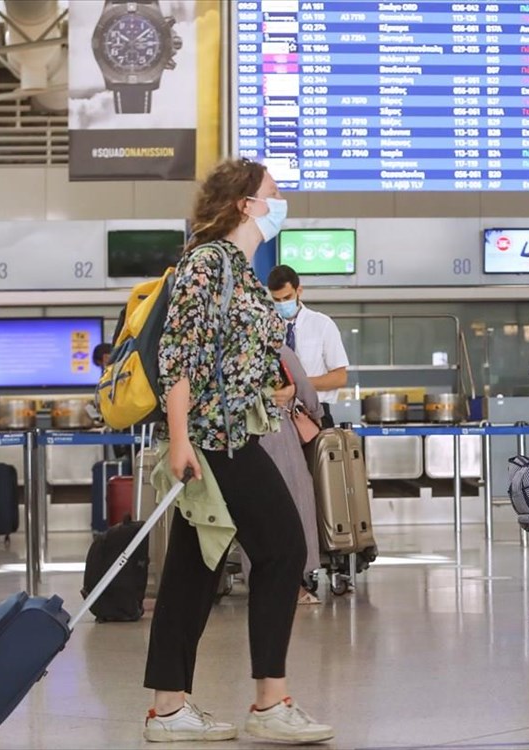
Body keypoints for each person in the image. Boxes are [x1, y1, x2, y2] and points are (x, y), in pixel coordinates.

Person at [142, 158, 333, 744]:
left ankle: (168, 710)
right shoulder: (207, 262)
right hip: (216, 438)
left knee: (195, 568)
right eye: (273, 192)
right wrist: (180, 440)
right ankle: (270, 701)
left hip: (229, 431)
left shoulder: (238, 268)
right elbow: (178, 356)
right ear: (245, 204)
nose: (281, 202)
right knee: (284, 547)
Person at [247, 344, 325, 605]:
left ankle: (255, 580)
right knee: (296, 503)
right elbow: (304, 386)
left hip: (233, 434)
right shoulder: (274, 345)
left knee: (251, 514)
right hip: (274, 432)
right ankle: (294, 586)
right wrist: (317, 414)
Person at [266, 264, 350, 429]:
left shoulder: (322, 324)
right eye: (277, 300)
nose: (282, 303)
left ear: (299, 290)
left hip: (315, 413)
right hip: (278, 416)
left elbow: (340, 377)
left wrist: (298, 387)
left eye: (287, 297)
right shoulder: (265, 328)